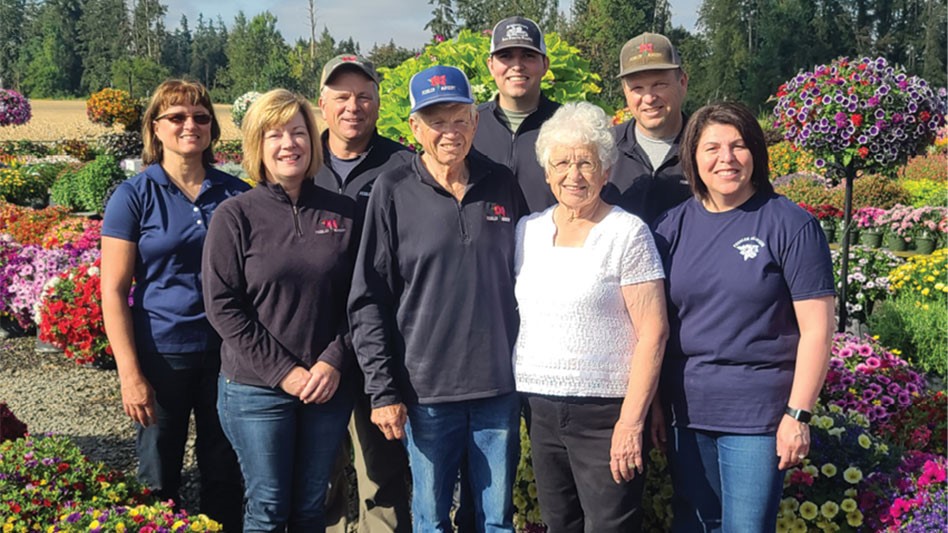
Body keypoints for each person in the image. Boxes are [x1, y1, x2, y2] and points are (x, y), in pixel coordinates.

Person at [348, 65, 527, 533]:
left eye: (458, 118)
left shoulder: (501, 183)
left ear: (474, 119)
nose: (449, 131)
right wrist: (383, 390)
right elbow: (368, 298)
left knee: (495, 522)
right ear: (414, 127)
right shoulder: (392, 189)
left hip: (498, 388)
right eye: (435, 120)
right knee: (430, 521)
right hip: (426, 393)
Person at [651, 102, 835, 532]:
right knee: (695, 525)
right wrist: (656, 404)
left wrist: (798, 415)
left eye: (738, 146)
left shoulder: (790, 225)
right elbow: (657, 327)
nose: (726, 159)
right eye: (712, 147)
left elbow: (818, 330)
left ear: (756, 153)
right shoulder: (670, 227)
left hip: (756, 416)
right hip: (687, 412)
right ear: (693, 157)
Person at [203, 89, 357, 531]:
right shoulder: (235, 216)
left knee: (311, 505)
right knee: (268, 506)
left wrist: (333, 360)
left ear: (313, 140)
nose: (288, 143)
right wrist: (285, 372)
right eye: (274, 134)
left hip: (326, 387)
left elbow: (362, 299)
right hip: (257, 390)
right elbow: (223, 305)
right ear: (257, 145)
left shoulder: (345, 213)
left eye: (297, 132)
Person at [513, 101, 668, 532]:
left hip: (606, 414)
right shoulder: (528, 231)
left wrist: (631, 422)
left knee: (610, 525)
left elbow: (653, 332)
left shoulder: (627, 233)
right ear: (547, 172)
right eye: (561, 162)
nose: (573, 174)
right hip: (541, 410)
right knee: (560, 523)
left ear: (605, 171)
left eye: (586, 162)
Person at [101, 79, 246, 531]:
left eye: (201, 117)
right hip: (162, 352)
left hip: (228, 354)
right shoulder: (134, 195)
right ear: (155, 128)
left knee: (224, 469)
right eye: (177, 117)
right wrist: (130, 374)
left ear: (212, 129)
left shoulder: (236, 193)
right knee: (158, 473)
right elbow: (113, 290)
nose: (190, 125)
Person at [315, 54, 412, 533]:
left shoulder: (403, 167)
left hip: (380, 350)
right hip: (314, 351)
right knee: (319, 476)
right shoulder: (296, 163)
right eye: (342, 97)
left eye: (364, 97)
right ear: (323, 104)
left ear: (377, 103)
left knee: (383, 478)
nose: (353, 107)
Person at [601, 32, 692, 225]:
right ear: (625, 91)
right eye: (637, 88)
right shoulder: (605, 148)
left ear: (682, 82)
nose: (649, 98)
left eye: (659, 85)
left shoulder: (707, 148)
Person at [474, 15, 561, 213]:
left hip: (550, 243)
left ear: (545, 64)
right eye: (506, 56)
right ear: (491, 65)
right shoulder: (470, 125)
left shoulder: (567, 124)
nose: (517, 65)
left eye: (528, 56)